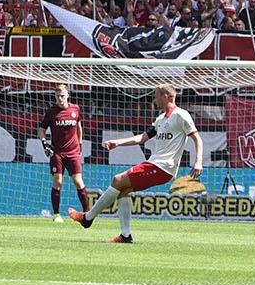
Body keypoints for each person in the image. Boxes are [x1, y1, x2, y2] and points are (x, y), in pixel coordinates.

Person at [69, 84, 203, 245]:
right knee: (123, 191)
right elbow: (142, 138)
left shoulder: (182, 115)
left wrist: (198, 161)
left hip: (163, 166)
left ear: (166, 96)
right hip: (155, 164)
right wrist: (118, 142)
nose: (154, 100)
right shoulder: (160, 119)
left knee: (117, 180)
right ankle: (125, 236)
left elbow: (197, 138)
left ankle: (87, 218)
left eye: (156, 96)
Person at [36, 82, 88, 223]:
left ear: (68, 96)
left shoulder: (75, 109)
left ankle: (88, 214)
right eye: (58, 96)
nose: (60, 99)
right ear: (55, 96)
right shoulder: (51, 112)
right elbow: (41, 129)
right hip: (57, 153)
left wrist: (80, 143)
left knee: (78, 181)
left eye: (63, 96)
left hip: (73, 152)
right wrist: (44, 143)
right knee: (57, 181)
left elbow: (79, 127)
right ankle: (57, 215)